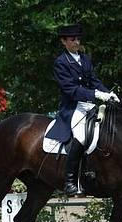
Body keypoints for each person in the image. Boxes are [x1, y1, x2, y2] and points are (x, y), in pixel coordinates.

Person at [45, 24, 118, 196]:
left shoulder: (85, 59)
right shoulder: (61, 62)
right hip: (73, 106)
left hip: (89, 104)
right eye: (72, 39)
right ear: (64, 42)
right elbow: (71, 90)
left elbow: (94, 80)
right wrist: (97, 94)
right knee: (81, 135)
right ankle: (70, 181)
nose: (76, 42)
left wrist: (109, 94)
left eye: (78, 39)